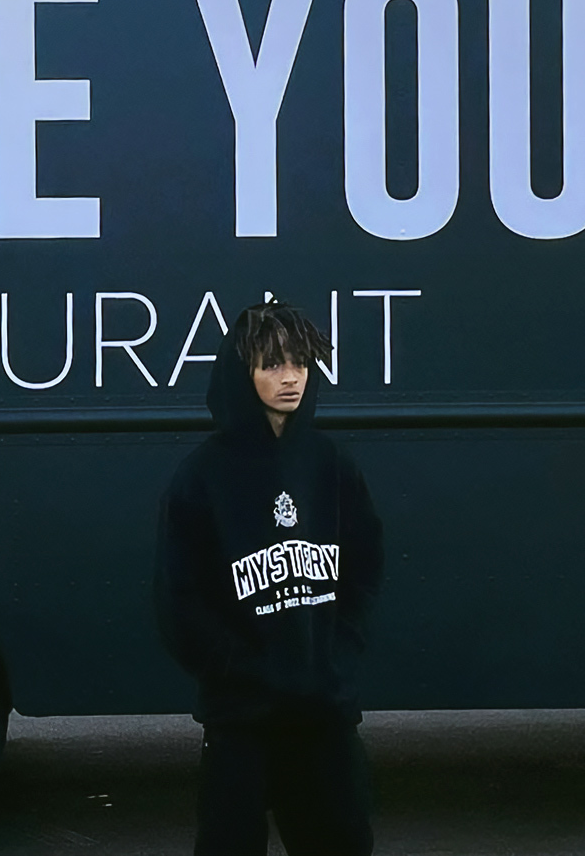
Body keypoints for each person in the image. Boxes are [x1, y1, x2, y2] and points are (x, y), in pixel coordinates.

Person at [155, 299, 385, 856]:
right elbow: (178, 601)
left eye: (300, 364)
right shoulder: (201, 477)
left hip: (323, 713)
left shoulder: (331, 464)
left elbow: (363, 569)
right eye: (272, 364)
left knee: (343, 842)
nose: (290, 378)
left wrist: (334, 659)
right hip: (241, 719)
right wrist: (240, 669)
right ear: (242, 373)